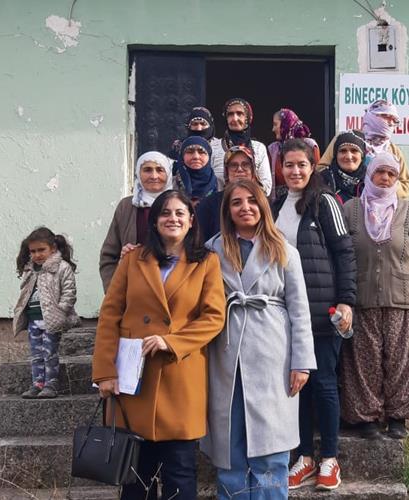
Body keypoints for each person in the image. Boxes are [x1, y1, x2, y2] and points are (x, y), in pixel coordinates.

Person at [92, 190, 226, 500]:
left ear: (191, 221)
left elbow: (214, 317)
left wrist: (171, 341)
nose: (173, 219)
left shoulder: (206, 262)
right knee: (135, 476)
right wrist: (104, 372)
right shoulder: (132, 260)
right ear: (154, 221)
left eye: (180, 213)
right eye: (165, 213)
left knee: (180, 474)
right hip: (133, 379)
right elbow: (110, 314)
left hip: (180, 376)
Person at [203, 179, 316, 499]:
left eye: (251, 201)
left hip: (272, 356)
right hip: (225, 357)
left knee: (271, 451)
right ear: (227, 210)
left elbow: (300, 311)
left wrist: (302, 363)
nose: (245, 208)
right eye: (236, 202)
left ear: (263, 206)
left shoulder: (284, 250)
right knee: (229, 447)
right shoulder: (212, 250)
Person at [271, 139, 356, 491]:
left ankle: (329, 459)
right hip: (285, 313)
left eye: (301, 165)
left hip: (322, 312)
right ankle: (304, 457)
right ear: (281, 168)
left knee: (322, 385)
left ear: (312, 167)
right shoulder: (275, 203)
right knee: (297, 387)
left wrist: (347, 301)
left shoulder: (324, 202)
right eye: (289, 165)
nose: (295, 171)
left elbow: (345, 252)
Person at [339, 153, 409, 440]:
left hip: (402, 300)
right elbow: (341, 252)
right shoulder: (351, 209)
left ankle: (397, 418)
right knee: (362, 360)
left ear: (397, 179)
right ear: (368, 175)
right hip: (361, 299)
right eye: (379, 172)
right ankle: (365, 418)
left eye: (391, 174)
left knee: (402, 361)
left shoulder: (408, 211)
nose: (385, 178)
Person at [12, 227, 81, 400]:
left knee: (50, 352)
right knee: (36, 354)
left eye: (41, 250)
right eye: (33, 251)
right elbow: (26, 292)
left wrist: (61, 310)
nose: (37, 255)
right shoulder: (31, 269)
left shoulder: (62, 268)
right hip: (34, 320)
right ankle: (38, 383)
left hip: (52, 318)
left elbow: (69, 291)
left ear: (53, 248)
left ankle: (51, 383)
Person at [98, 150, 172, 291]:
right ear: (138, 173)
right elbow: (109, 256)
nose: (154, 176)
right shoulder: (126, 206)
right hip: (133, 291)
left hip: (171, 289)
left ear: (168, 173)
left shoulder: (179, 205)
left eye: (160, 170)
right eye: (147, 170)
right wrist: (114, 291)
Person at [317, 100, 409, 198]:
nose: (390, 123)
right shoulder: (348, 139)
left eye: (393, 120)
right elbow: (321, 169)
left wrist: (383, 182)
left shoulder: (393, 151)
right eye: (386, 118)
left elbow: (405, 187)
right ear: (372, 117)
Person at [194, 144, 260, 245]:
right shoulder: (209, 204)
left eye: (245, 164)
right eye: (234, 165)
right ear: (226, 170)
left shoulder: (263, 202)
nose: (240, 169)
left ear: (253, 170)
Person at [212, 98, 272, 196]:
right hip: (220, 206)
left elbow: (267, 187)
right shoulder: (214, 147)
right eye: (230, 114)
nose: (235, 119)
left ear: (248, 118)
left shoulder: (259, 148)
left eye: (240, 114)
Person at [268, 108, 320, 200]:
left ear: (285, 124)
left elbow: (317, 174)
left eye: (275, 124)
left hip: (307, 200)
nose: (273, 129)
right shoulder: (273, 149)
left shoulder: (310, 145)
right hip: (280, 202)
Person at [320, 131, 367, 203]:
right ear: (336, 155)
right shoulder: (322, 180)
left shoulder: (370, 181)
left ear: (362, 156)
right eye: (343, 151)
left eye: (354, 151)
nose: (348, 156)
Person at [171, 136, 219, 206]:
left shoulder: (219, 184)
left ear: (209, 156)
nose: (196, 157)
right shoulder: (171, 184)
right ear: (182, 157)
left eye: (201, 152)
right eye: (190, 152)